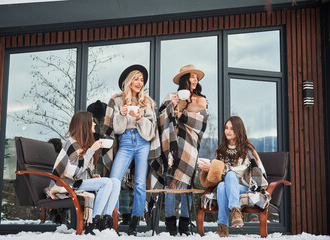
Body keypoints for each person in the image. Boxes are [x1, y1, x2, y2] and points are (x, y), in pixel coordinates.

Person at [102, 64, 160, 236]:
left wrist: (140, 117)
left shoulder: (148, 102)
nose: (139, 82)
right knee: (114, 180)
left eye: (141, 79)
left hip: (143, 142)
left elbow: (151, 131)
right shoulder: (116, 100)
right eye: (136, 78)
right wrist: (121, 114)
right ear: (128, 81)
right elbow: (116, 129)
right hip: (125, 141)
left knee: (140, 184)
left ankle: (134, 224)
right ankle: (109, 219)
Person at [46, 111, 121, 235]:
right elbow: (73, 172)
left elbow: (80, 169)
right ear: (84, 124)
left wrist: (91, 177)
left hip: (75, 182)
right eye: (91, 121)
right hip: (65, 185)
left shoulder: (81, 143)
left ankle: (106, 222)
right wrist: (92, 150)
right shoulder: (72, 144)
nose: (94, 124)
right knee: (107, 182)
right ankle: (93, 223)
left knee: (116, 182)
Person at [158, 64, 209, 236]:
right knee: (171, 182)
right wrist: (171, 107)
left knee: (186, 182)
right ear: (184, 79)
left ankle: (185, 223)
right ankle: (171, 224)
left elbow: (202, 122)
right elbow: (161, 117)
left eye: (196, 77)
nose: (195, 80)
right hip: (174, 144)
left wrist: (183, 116)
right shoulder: (171, 96)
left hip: (190, 145)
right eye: (192, 77)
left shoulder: (201, 99)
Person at [198, 116, 267, 237]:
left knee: (230, 175)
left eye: (232, 129)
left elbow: (244, 170)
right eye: (226, 128)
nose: (228, 131)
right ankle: (224, 227)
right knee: (221, 185)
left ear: (238, 131)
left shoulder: (247, 149)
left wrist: (221, 168)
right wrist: (209, 169)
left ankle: (233, 212)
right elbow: (217, 175)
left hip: (245, 187)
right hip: (226, 187)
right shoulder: (220, 150)